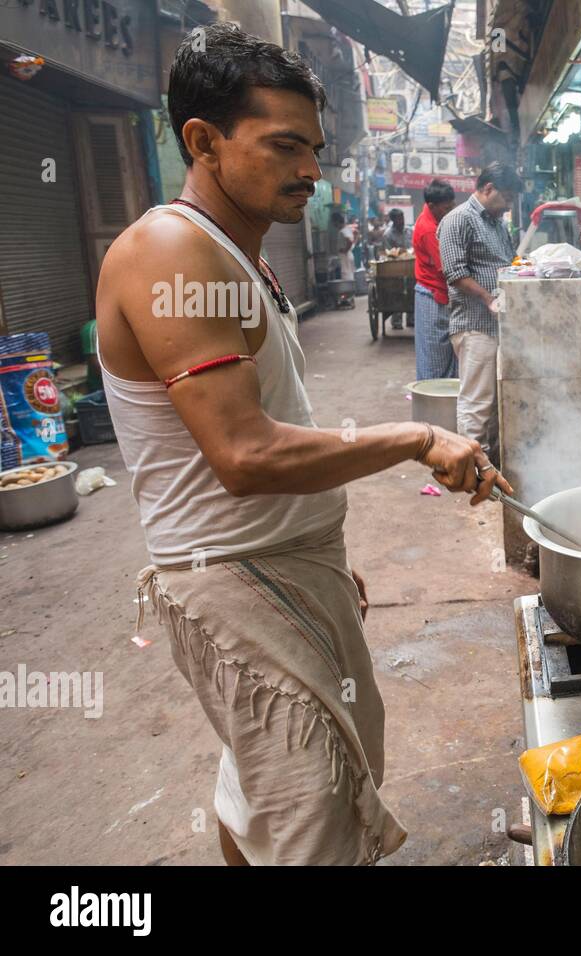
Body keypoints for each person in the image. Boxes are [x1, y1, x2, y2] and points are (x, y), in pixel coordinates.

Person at [94, 22, 512, 866]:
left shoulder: (237, 255)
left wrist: (315, 548)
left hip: (278, 563)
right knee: (312, 810)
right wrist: (416, 437)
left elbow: (271, 420)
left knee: (265, 789)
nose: (312, 172)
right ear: (203, 142)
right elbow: (243, 456)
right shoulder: (170, 251)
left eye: (314, 148)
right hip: (232, 578)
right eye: (285, 146)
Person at [438, 161, 521, 464]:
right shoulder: (458, 220)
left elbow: (508, 261)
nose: (509, 205)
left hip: (497, 324)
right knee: (476, 402)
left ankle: (491, 465)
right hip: (474, 325)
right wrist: (488, 298)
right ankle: (473, 470)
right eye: (507, 197)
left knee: (495, 401)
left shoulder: (497, 222)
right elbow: (454, 272)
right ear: (488, 188)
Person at [413, 179, 457, 380]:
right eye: (447, 208)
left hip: (434, 292)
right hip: (432, 295)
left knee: (442, 353)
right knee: (435, 356)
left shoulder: (435, 219)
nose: (450, 211)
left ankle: (442, 402)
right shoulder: (429, 229)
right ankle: (433, 404)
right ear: (432, 206)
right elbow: (447, 268)